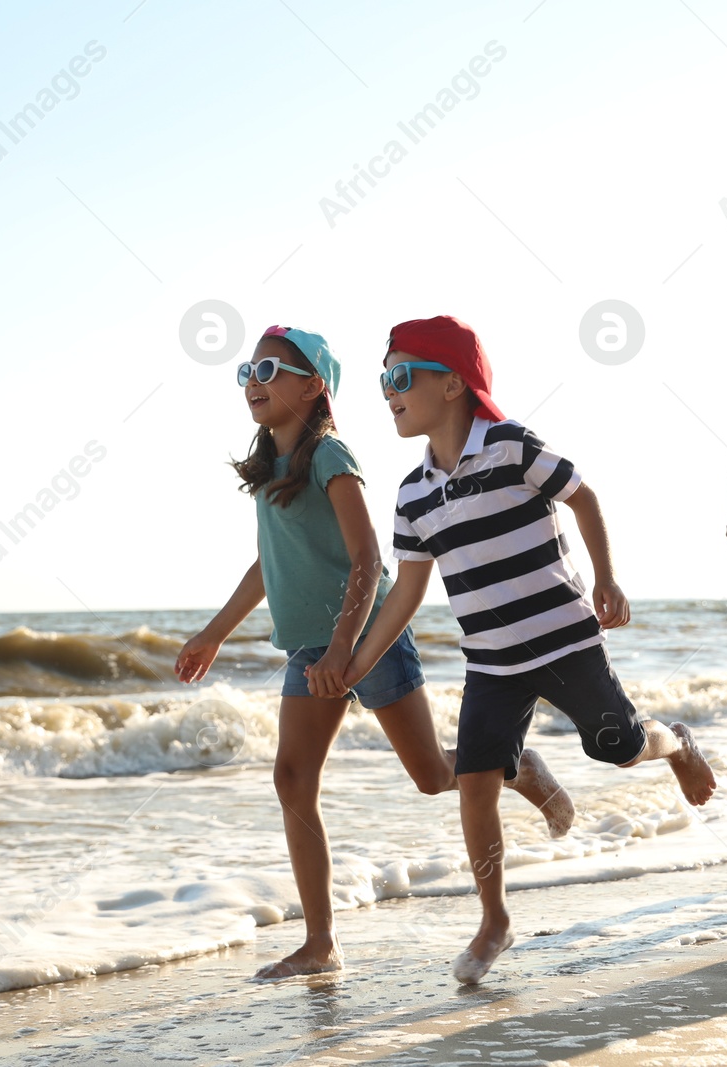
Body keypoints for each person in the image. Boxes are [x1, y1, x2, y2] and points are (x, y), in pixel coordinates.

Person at [174, 324, 574, 980]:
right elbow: (268, 565)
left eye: (269, 370)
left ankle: (516, 764)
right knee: (291, 778)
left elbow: (367, 556)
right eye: (247, 370)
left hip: (367, 637)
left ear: (312, 386)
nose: (253, 380)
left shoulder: (331, 455)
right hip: (310, 647)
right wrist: (215, 631)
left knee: (431, 776)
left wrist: (343, 647)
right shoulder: (271, 468)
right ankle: (320, 942)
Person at [325, 315, 716, 985]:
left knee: (617, 746)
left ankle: (675, 742)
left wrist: (607, 579)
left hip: (566, 640)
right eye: (382, 380)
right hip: (491, 663)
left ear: (452, 384)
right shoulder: (412, 494)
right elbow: (407, 593)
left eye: (400, 376)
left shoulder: (510, 445)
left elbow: (584, 497)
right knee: (475, 786)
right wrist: (355, 668)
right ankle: (494, 918)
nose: (388, 391)